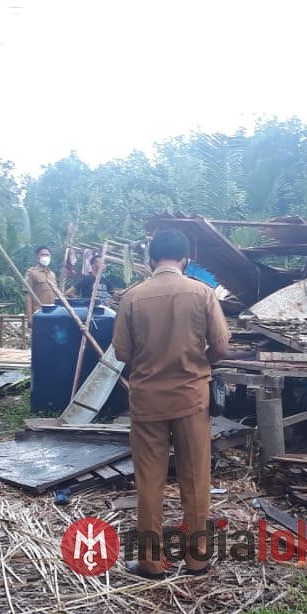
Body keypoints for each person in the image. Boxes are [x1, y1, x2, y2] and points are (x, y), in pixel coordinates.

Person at [112, 229, 230, 578]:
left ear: (150, 261)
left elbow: (122, 353)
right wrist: (196, 362)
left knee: (150, 482)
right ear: (185, 260)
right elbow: (221, 349)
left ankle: (150, 561)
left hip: (147, 401)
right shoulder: (202, 294)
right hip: (192, 398)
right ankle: (197, 559)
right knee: (195, 480)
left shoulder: (132, 298)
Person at [24, 246, 60, 326]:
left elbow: (57, 295)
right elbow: (28, 295)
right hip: (39, 312)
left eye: (47, 255)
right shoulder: (31, 273)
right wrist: (29, 317)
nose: (45, 257)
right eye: (42, 255)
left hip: (53, 312)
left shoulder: (52, 274)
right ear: (37, 257)